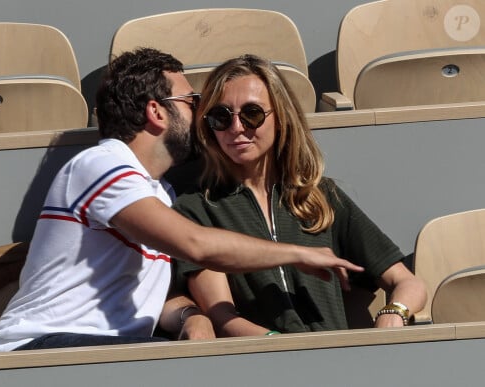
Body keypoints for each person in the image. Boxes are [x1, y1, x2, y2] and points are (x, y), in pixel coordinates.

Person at [0, 48, 363, 352]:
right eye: (191, 100)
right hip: (42, 347)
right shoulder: (102, 163)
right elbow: (195, 245)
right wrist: (300, 253)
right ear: (156, 111)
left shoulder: (161, 193)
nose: (200, 112)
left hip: (117, 350)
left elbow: (147, 297)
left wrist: (190, 318)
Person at [173, 54, 427, 337]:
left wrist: (394, 313)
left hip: (337, 359)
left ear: (280, 117)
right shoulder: (195, 208)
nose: (236, 128)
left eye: (252, 114)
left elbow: (407, 282)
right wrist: (280, 346)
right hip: (259, 364)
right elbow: (221, 315)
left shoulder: (320, 196)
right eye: (221, 117)